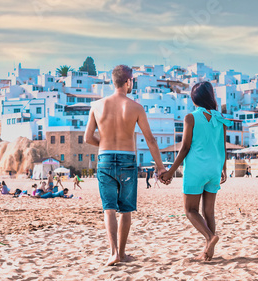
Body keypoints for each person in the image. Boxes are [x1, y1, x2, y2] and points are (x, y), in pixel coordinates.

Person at [84, 65, 167, 266]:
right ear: (128, 82)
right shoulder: (135, 107)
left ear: (114, 82)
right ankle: (121, 253)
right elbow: (151, 140)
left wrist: (103, 144)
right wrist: (160, 167)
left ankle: (113, 254)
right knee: (125, 210)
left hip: (104, 159)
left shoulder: (96, 106)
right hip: (127, 160)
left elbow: (87, 138)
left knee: (109, 209)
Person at [161, 81, 232, 262]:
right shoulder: (220, 118)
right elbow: (223, 147)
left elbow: (185, 147)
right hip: (214, 168)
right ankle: (208, 252)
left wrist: (170, 172)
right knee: (209, 212)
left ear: (195, 99)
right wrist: (223, 168)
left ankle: (210, 238)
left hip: (196, 169)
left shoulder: (190, 118)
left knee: (190, 210)